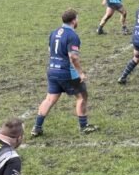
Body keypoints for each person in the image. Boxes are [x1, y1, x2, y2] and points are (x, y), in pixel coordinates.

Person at [32, 9, 98, 137]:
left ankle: (37, 127)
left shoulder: (54, 32)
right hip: (67, 72)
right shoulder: (72, 35)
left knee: (49, 99)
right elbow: (73, 57)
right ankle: (84, 127)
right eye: (77, 18)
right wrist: (80, 73)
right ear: (73, 20)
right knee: (82, 97)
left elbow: (50, 50)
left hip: (52, 70)